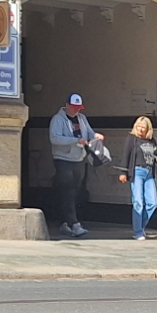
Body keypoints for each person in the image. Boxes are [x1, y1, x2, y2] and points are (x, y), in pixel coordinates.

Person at [48, 93, 104, 238]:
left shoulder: (82, 118)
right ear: (67, 105)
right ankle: (74, 223)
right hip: (63, 159)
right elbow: (54, 139)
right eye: (74, 107)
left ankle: (66, 223)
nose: (77, 110)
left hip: (78, 158)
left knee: (75, 190)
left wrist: (95, 136)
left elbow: (89, 133)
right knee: (67, 189)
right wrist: (75, 141)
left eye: (79, 108)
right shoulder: (58, 119)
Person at [118, 116, 157, 240]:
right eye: (139, 126)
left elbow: (155, 153)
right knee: (138, 202)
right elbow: (125, 155)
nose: (141, 129)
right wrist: (123, 172)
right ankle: (138, 232)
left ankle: (140, 227)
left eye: (143, 127)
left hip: (149, 173)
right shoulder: (132, 139)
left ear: (148, 129)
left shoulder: (151, 140)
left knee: (153, 203)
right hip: (137, 171)